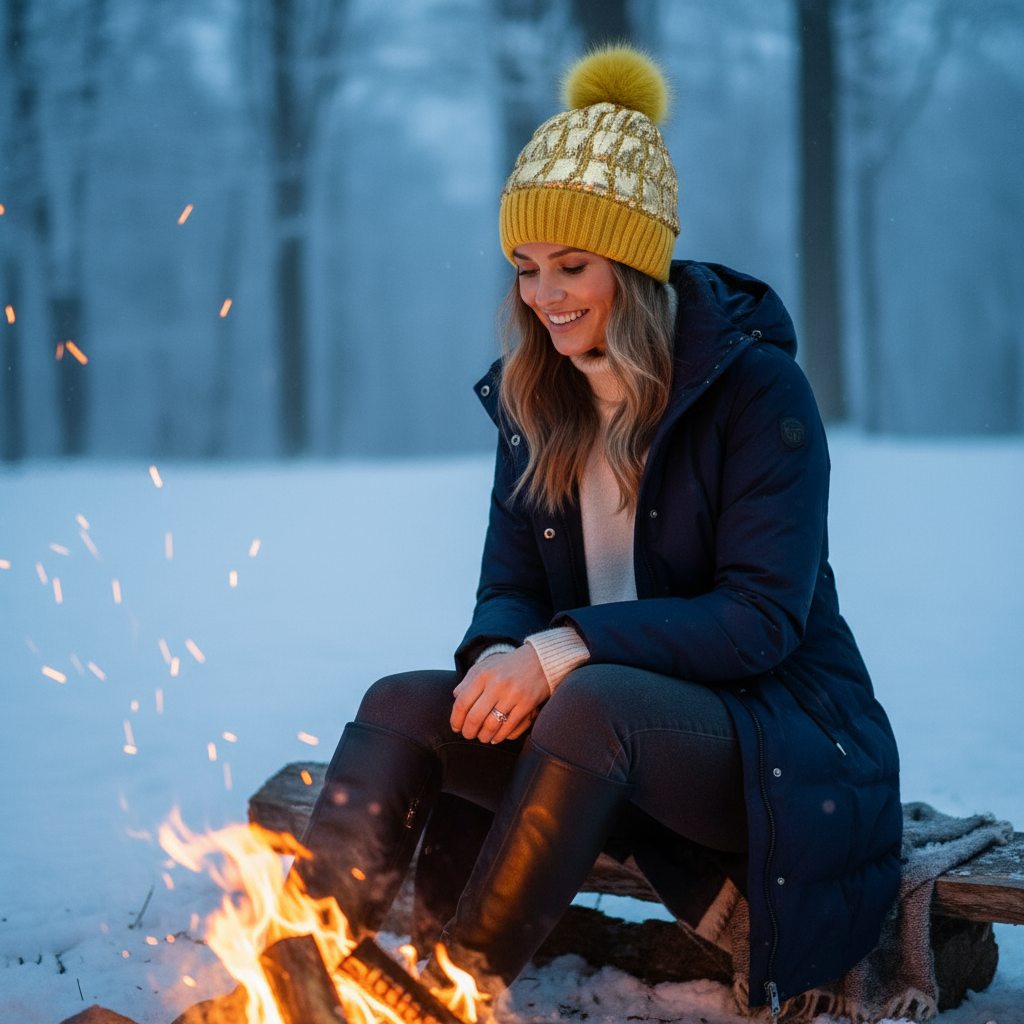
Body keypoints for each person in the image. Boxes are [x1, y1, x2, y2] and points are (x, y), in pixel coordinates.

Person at [293, 46, 901, 1016]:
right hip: (601, 731)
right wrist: (503, 654)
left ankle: (454, 991)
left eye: (572, 266)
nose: (545, 296)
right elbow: (509, 586)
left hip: (776, 738)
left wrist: (558, 653)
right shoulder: (538, 397)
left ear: (635, 261)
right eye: (526, 269)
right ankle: (306, 958)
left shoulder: (758, 395)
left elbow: (759, 619)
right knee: (403, 702)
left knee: (593, 700)